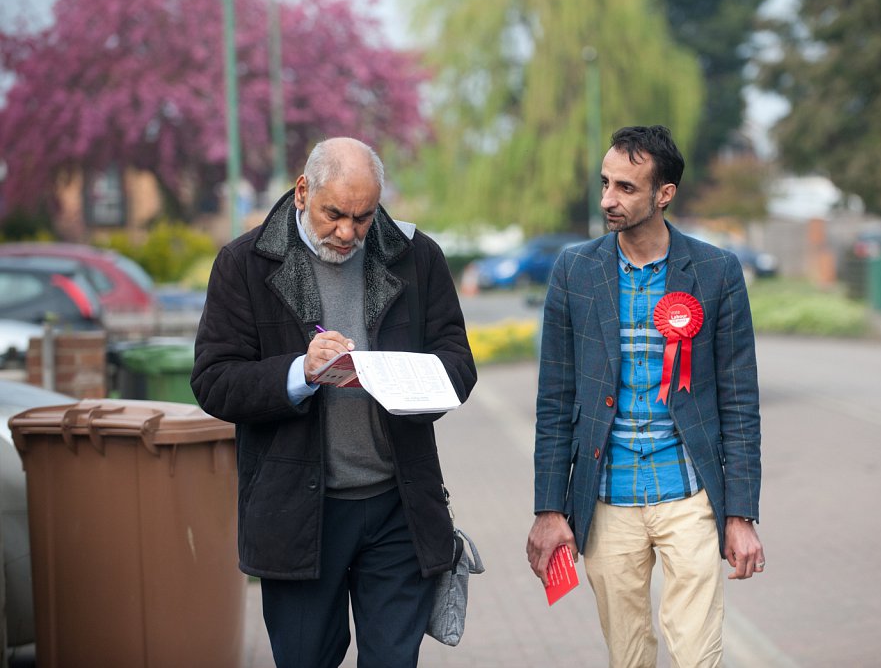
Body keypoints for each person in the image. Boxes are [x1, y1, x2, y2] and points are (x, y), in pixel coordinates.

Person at [192, 137, 476, 668]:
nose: (347, 232)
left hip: (398, 507)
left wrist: (405, 379)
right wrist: (300, 371)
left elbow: (459, 365)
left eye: (363, 217)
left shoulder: (417, 257)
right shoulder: (244, 264)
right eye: (334, 214)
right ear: (303, 191)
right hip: (299, 513)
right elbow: (213, 381)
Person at [527, 125, 764, 667]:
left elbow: (739, 400)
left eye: (626, 188)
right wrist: (548, 508)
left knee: (696, 653)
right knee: (628, 655)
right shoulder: (574, 271)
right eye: (606, 183)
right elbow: (555, 400)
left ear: (664, 194)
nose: (608, 199)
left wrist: (741, 514)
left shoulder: (715, 271)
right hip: (607, 496)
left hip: (690, 492)